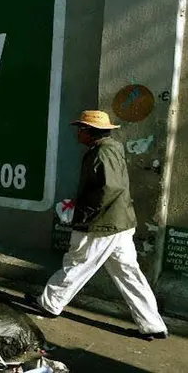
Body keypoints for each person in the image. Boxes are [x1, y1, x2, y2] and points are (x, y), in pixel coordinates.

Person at [25, 110, 168, 341]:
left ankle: (50, 304)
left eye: (80, 129)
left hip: (102, 224)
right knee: (128, 273)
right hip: (119, 223)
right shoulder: (111, 148)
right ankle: (152, 325)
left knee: (77, 263)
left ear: (90, 132)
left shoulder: (101, 153)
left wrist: (83, 212)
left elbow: (109, 189)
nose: (77, 133)